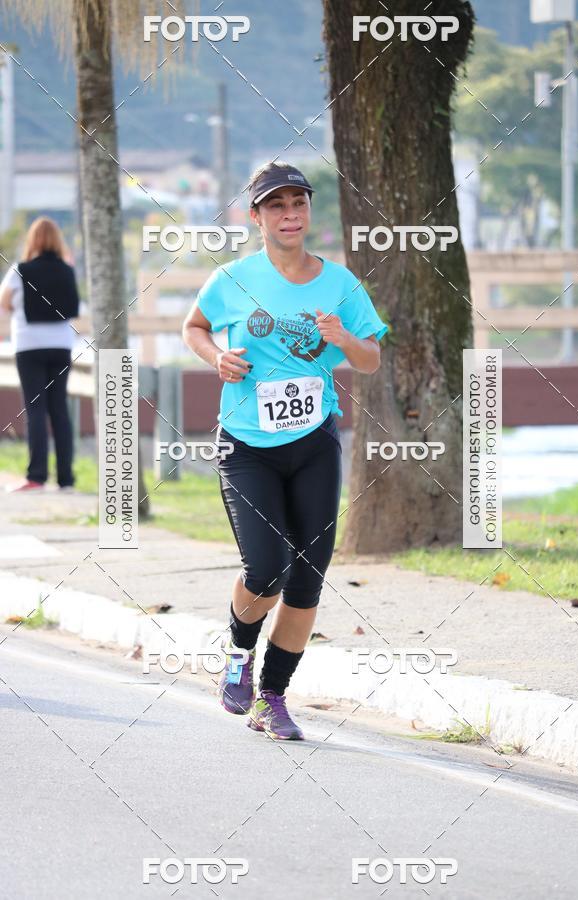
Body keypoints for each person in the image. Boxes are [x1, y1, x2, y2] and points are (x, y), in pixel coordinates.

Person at [182, 161, 387, 740]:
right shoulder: (232, 279)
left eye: (298, 203)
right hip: (247, 446)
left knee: (307, 578)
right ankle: (237, 653)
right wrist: (214, 357)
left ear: (308, 212)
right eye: (277, 206)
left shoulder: (340, 283)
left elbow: (370, 358)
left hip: (314, 442)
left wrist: (344, 339)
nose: (290, 214)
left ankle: (272, 698)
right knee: (266, 568)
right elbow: (194, 328)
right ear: (257, 216)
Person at [0, 217, 80, 492]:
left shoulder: (19, 271)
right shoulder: (67, 271)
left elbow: (4, 303)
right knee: (59, 409)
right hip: (61, 346)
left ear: (32, 240)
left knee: (35, 409)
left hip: (29, 346)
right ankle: (66, 479)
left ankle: (36, 477)